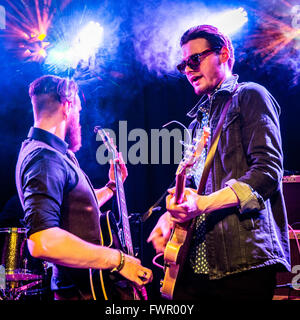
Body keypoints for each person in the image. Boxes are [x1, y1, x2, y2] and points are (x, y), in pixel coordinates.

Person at [148, 25, 290, 300]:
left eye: (194, 60)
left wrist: (200, 204)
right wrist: (169, 215)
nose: (188, 69)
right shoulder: (196, 122)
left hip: (242, 262)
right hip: (196, 266)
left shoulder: (249, 96)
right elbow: (190, 185)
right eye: (183, 64)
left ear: (224, 54)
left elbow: (267, 172)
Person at [15, 75, 152, 300]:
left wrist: (111, 187)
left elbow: (72, 212)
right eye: (78, 110)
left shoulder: (54, 155)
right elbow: (42, 241)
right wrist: (119, 260)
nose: (79, 118)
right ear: (68, 106)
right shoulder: (45, 159)